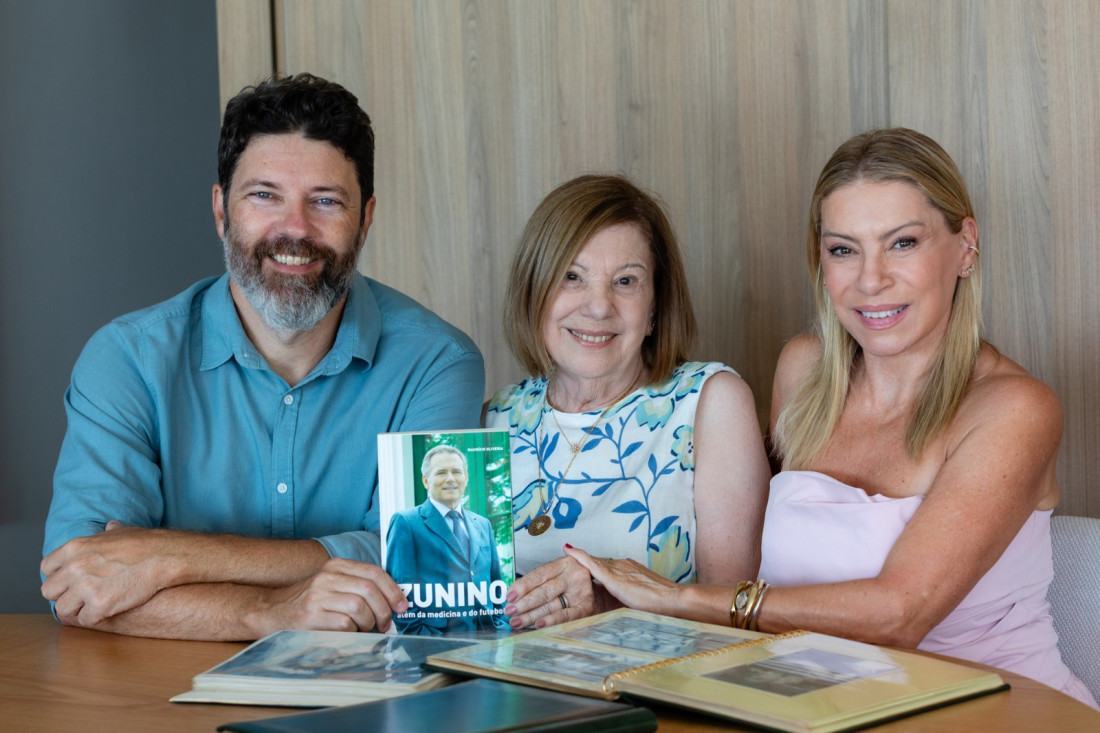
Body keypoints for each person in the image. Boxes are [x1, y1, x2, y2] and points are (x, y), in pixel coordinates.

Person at [564, 129, 1098, 709]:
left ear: (965, 245)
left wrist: (681, 599)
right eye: (844, 249)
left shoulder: (1014, 408)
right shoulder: (805, 371)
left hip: (995, 711)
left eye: (902, 244)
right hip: (823, 709)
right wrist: (611, 594)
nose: (871, 280)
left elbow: (899, 615)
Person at [39, 73, 485, 641]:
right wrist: (272, 613)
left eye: (325, 201)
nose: (294, 230)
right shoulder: (126, 359)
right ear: (221, 209)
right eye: (264, 195)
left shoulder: (438, 362)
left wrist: (170, 556)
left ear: (365, 219)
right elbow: (78, 585)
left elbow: (424, 565)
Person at [486, 174, 770, 629]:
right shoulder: (495, 417)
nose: (598, 307)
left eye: (625, 281)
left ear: (655, 305)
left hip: (656, 688)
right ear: (534, 292)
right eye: (572, 277)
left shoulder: (708, 402)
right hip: (511, 691)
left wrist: (606, 604)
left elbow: (730, 616)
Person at [385, 445, 508, 634]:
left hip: (491, 640)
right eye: (441, 472)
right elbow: (399, 595)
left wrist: (502, 629)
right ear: (426, 481)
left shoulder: (483, 524)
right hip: (439, 644)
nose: (450, 478)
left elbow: (496, 585)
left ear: (465, 479)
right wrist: (426, 643)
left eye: (457, 472)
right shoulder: (406, 522)